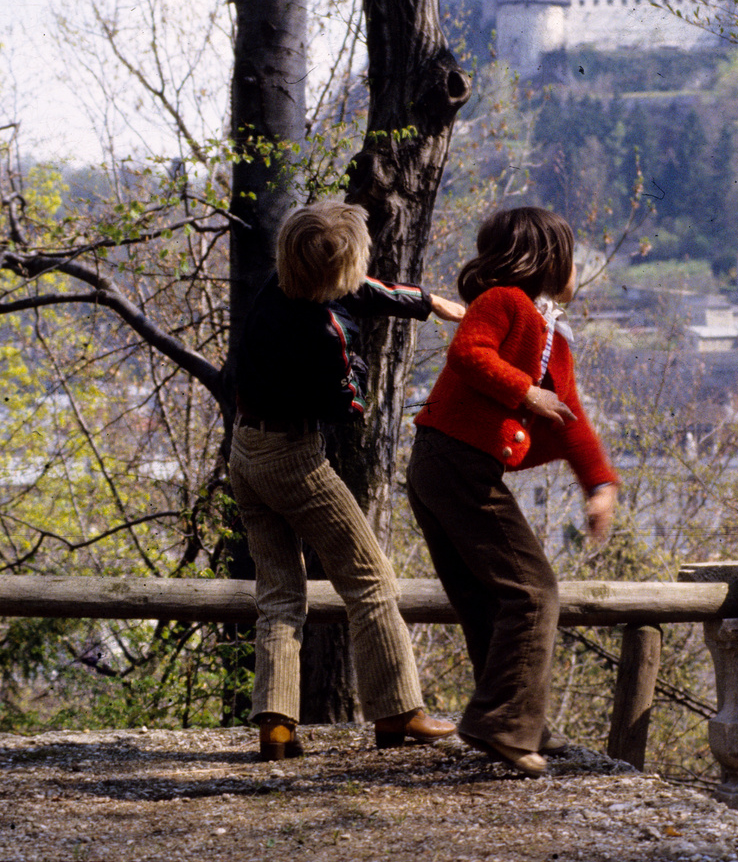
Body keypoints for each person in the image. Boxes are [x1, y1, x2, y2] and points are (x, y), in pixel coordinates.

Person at [231, 199, 465, 761]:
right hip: (294, 459)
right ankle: (398, 711)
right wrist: (355, 368)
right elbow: (348, 406)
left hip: (244, 450)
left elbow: (359, 288)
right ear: (340, 274)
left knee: (280, 595)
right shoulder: (327, 331)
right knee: (373, 582)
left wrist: (426, 302)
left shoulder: (273, 287)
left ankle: (278, 726)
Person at [407, 206, 618, 775]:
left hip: (444, 464)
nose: (578, 269)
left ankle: (513, 722)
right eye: (572, 256)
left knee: (489, 597)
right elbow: (468, 353)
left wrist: (598, 483)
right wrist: (526, 393)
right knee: (533, 590)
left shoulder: (553, 336)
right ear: (549, 261)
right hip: (455, 463)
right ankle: (503, 723)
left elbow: (569, 418)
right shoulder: (503, 303)